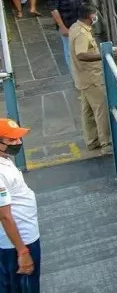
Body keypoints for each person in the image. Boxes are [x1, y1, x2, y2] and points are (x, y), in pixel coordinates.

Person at [0, 118, 38, 293]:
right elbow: (5, 216)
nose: (18, 142)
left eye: (18, 138)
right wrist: (22, 252)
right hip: (18, 243)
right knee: (24, 287)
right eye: (11, 140)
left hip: (22, 238)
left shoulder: (5, 159)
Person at [68, 4, 111, 152]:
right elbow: (81, 54)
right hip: (91, 78)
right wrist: (104, 55)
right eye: (94, 15)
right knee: (101, 109)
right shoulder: (81, 33)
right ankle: (106, 142)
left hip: (83, 77)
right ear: (90, 16)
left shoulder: (75, 27)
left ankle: (92, 141)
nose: (95, 17)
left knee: (87, 111)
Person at [46, 0, 103, 70]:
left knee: (86, 44)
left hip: (82, 21)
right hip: (68, 23)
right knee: (70, 50)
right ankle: (75, 74)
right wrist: (62, 27)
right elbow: (53, 9)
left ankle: (87, 68)